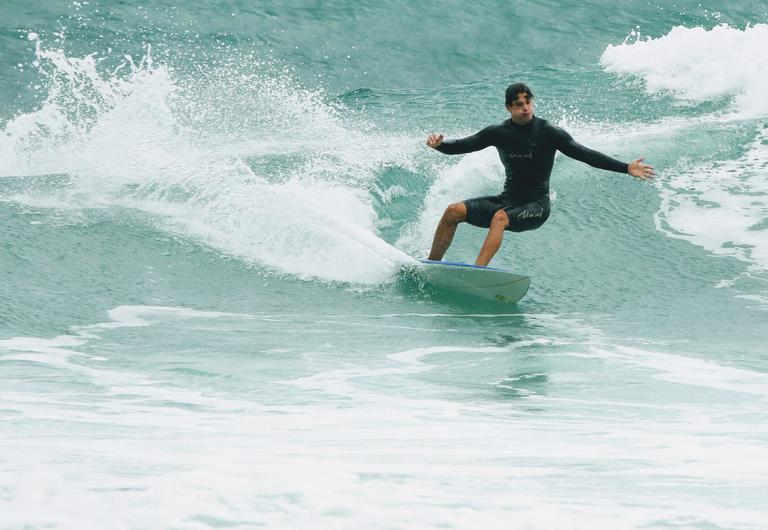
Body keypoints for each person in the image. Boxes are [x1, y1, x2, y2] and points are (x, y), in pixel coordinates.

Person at [425, 82, 655, 267]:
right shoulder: (498, 132)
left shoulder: (549, 133)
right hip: (508, 200)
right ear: (508, 108)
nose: (525, 108)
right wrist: (440, 146)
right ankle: (431, 265)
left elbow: (586, 155)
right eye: (518, 104)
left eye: (528, 102)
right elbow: (464, 145)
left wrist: (626, 167)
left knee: (500, 218)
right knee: (453, 211)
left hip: (536, 205)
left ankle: (478, 272)